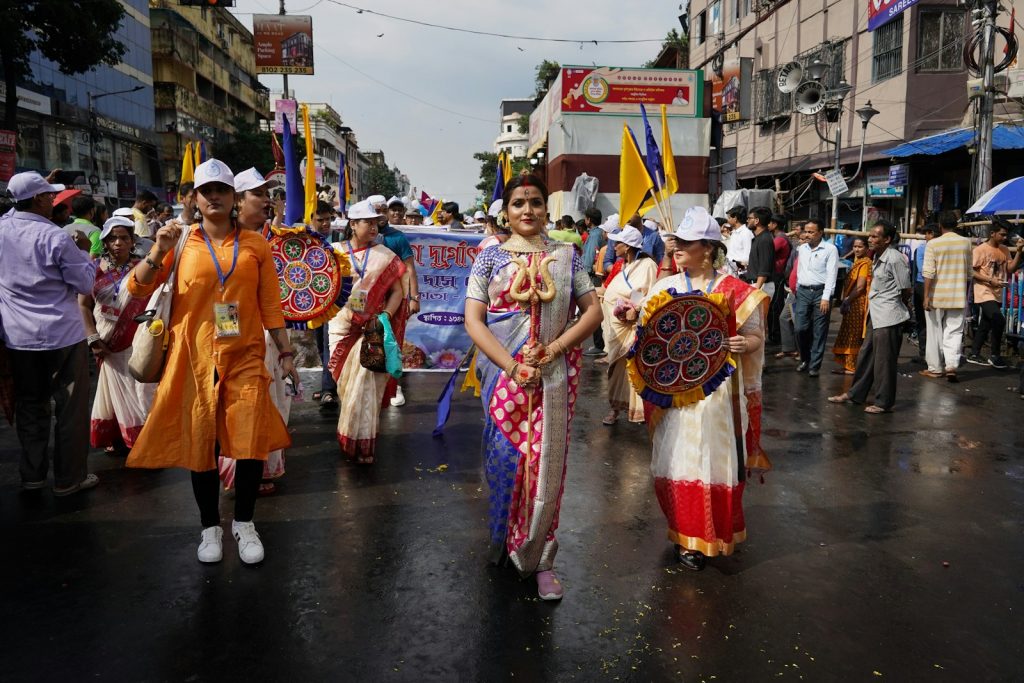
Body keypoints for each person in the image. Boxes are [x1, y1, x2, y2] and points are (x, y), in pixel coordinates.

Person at [126, 159, 299, 565]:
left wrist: (287, 353)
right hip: (193, 357)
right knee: (201, 442)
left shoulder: (256, 244)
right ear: (195, 199)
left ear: (234, 197)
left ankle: (244, 523)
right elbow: (135, 287)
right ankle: (209, 527)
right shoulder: (181, 241)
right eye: (207, 191)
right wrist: (158, 250)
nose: (215, 196)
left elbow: (270, 305)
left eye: (223, 189)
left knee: (250, 441)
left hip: (246, 356)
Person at [464, 174, 602, 600]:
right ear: (505, 211)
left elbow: (592, 311)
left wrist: (555, 349)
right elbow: (474, 320)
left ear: (546, 209)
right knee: (505, 457)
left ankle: (541, 557)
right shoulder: (489, 258)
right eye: (519, 203)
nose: (528, 210)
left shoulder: (567, 255)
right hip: (505, 376)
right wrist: (510, 367)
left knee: (546, 466)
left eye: (536, 202)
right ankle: (504, 534)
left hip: (555, 377)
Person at [642, 207, 769, 571]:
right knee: (679, 460)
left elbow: (756, 334)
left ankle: (715, 532)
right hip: (676, 397)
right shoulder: (665, 288)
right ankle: (685, 533)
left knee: (715, 463)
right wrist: (632, 318)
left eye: (685, 242)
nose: (676, 248)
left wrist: (748, 343)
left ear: (709, 249)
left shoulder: (735, 291)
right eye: (675, 242)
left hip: (719, 397)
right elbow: (649, 339)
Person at [0, 171, 98, 496]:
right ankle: (69, 479)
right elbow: (85, 284)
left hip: (18, 337)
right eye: (49, 196)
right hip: (63, 336)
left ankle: (33, 475)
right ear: (40, 199)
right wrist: (84, 252)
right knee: (70, 409)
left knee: (31, 405)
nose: (53, 201)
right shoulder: (56, 237)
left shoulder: (2, 230)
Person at [215, 167, 294, 494]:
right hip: (233, 339)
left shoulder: (271, 239)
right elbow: (222, 299)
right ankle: (238, 471)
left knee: (273, 403)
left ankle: (261, 468)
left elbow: (275, 302)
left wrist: (286, 351)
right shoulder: (218, 239)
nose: (267, 201)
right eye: (258, 194)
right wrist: (230, 341)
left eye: (267, 194)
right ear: (238, 201)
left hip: (267, 337)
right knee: (240, 406)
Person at [326, 200, 407, 464]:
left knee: (367, 384)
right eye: (367, 222)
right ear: (353, 224)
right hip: (340, 325)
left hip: (371, 326)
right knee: (344, 384)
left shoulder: (385, 256)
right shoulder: (334, 252)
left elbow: (397, 292)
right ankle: (348, 435)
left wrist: (385, 316)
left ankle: (365, 442)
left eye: (376, 222)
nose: (373, 226)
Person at [78, 216, 154, 455]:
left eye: (124, 237)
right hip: (105, 342)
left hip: (136, 342)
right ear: (104, 241)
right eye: (112, 238)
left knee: (139, 392)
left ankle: (142, 439)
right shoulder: (93, 268)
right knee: (113, 389)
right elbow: (82, 305)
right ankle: (119, 435)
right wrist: (92, 338)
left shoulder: (142, 268)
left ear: (132, 241)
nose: (118, 243)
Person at [828, 221, 912, 413]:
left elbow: (905, 289)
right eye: (870, 236)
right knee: (866, 356)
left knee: (884, 362)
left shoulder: (895, 258)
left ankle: (884, 402)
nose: (870, 239)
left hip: (890, 316)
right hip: (876, 314)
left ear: (887, 239)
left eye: (875, 236)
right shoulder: (876, 257)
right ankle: (855, 394)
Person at [599, 226, 658, 425]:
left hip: (632, 325)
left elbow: (647, 293)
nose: (614, 247)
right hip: (616, 326)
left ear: (629, 246)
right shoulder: (623, 265)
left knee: (635, 368)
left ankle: (639, 410)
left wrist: (635, 310)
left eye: (619, 243)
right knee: (615, 369)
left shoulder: (647, 265)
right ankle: (615, 408)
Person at [921, 212, 972, 382]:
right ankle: (951, 365)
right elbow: (969, 273)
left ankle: (935, 368)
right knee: (955, 331)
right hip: (958, 294)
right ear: (956, 225)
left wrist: (926, 296)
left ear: (940, 225)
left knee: (934, 331)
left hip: (937, 294)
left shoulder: (933, 243)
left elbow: (928, 272)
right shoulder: (966, 243)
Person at [378, 197, 419, 408]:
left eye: (383, 210)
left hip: (396, 299)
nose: (380, 214)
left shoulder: (397, 238)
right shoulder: (361, 237)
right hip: (368, 302)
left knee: (393, 342)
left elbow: (410, 268)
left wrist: (414, 297)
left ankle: (394, 387)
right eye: (375, 211)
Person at [967, 223, 1022, 369]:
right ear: (992, 233)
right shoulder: (980, 250)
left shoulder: (1004, 249)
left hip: (997, 292)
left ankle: (974, 353)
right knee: (998, 319)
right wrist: (989, 280)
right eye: (1002, 234)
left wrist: (1019, 252)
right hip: (984, 291)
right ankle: (995, 354)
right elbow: (971, 271)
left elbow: (1010, 268)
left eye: (1005, 235)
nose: (1004, 237)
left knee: (986, 323)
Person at [793, 220, 838, 377]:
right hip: (803, 292)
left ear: (820, 233)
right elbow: (800, 269)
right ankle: (805, 358)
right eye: (805, 231)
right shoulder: (802, 248)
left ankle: (814, 365)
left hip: (821, 293)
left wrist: (826, 297)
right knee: (800, 328)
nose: (807, 234)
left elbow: (832, 274)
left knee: (820, 330)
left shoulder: (830, 249)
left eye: (811, 232)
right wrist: (797, 288)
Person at [310, 200, 341, 409]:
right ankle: (329, 384)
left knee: (330, 345)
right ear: (310, 219)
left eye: (328, 219)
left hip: (334, 303)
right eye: (319, 220)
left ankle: (328, 390)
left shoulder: (339, 239)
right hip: (311, 302)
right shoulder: (303, 240)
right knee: (321, 344)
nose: (324, 224)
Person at [831, 236, 872, 375]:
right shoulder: (857, 262)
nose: (856, 249)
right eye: (855, 246)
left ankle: (852, 366)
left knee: (853, 334)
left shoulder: (865, 264)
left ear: (866, 248)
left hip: (857, 303)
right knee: (848, 332)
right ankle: (848, 365)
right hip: (852, 302)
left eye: (860, 247)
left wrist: (847, 300)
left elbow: (860, 287)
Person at [911, 223, 939, 360]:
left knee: (923, 321)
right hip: (934, 286)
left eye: (927, 233)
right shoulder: (926, 248)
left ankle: (925, 353)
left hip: (923, 286)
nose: (926, 237)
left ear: (931, 234)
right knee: (931, 321)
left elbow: (922, 270)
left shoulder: (924, 248)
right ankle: (928, 353)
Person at [746, 207, 775, 294]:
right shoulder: (758, 238)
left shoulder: (764, 239)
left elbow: (764, 269)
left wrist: (756, 290)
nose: (747, 221)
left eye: (749, 218)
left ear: (756, 220)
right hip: (757, 284)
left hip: (761, 286)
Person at [725, 205, 752, 273]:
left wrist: (737, 264)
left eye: (729, 218)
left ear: (735, 219)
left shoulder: (746, 233)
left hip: (740, 272)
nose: (727, 220)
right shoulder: (734, 232)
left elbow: (748, 256)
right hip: (731, 270)